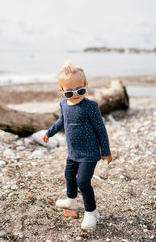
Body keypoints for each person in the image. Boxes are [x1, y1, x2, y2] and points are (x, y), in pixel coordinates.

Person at [43, 62, 112, 230]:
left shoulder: (90, 106)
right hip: (73, 152)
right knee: (69, 176)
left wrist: (106, 151)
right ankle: (71, 200)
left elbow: (101, 129)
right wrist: (49, 132)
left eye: (80, 90)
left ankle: (91, 212)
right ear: (62, 91)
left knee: (83, 181)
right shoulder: (64, 105)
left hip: (90, 153)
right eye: (69, 92)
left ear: (86, 85)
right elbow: (61, 122)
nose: (75, 95)